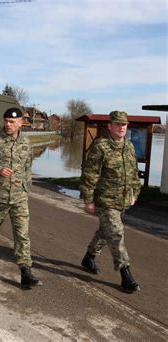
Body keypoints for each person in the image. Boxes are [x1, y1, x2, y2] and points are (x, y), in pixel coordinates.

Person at [0, 107, 42, 289]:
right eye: (6, 121)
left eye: (12, 122)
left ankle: (25, 271)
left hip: (19, 197)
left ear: (21, 122)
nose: (8, 124)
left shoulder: (26, 142)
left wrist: (26, 188)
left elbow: (28, 167)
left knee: (22, 235)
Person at [79, 110, 141, 293]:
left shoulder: (129, 147)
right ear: (110, 126)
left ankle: (89, 257)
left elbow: (134, 174)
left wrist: (135, 192)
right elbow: (90, 175)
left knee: (106, 231)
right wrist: (88, 200)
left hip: (122, 200)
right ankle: (125, 273)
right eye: (117, 124)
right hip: (105, 200)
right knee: (116, 233)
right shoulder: (101, 147)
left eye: (124, 124)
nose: (121, 127)